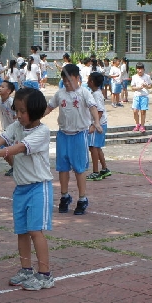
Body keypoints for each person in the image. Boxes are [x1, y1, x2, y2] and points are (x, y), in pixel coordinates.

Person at [0, 88, 54, 290]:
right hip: (21, 189)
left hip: (38, 188)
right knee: (22, 231)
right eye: (17, 110)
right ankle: (26, 269)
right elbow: (2, 139)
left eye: (22, 111)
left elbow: (20, 148)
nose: (18, 115)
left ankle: (45, 274)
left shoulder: (42, 132)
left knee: (36, 231)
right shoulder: (17, 126)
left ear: (35, 111)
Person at [44, 64, 101, 216]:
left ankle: (82, 199)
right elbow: (49, 108)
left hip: (79, 135)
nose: (67, 83)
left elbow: (93, 108)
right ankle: (64, 196)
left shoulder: (84, 93)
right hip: (63, 135)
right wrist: (35, 119)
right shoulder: (60, 94)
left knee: (79, 168)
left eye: (70, 80)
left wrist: (96, 122)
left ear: (77, 78)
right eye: (65, 80)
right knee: (62, 168)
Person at [85, 72, 110, 180]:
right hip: (101, 123)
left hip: (98, 124)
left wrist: (95, 125)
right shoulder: (96, 93)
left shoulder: (96, 95)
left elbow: (99, 111)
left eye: (89, 79)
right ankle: (104, 169)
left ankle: (96, 171)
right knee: (97, 147)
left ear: (91, 82)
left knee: (93, 147)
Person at [129, 63, 152, 132]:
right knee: (135, 111)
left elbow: (150, 86)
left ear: (143, 69)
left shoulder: (147, 77)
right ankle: (137, 124)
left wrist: (146, 86)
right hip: (137, 96)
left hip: (144, 96)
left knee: (143, 111)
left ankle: (142, 125)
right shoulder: (134, 77)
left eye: (141, 69)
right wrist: (138, 88)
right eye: (138, 69)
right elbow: (132, 87)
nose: (140, 70)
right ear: (136, 69)